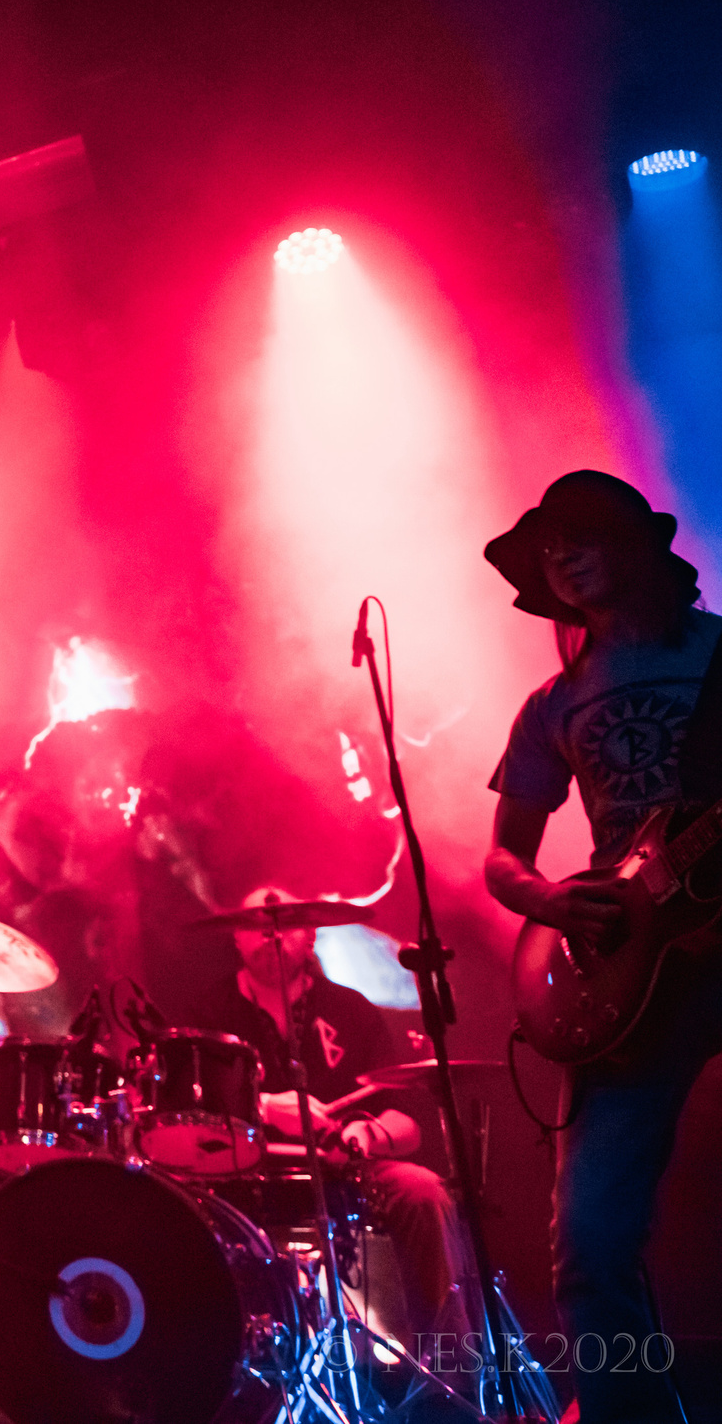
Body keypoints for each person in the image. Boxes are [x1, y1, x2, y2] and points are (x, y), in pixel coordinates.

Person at [483, 470, 722, 1424]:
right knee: (588, 1238)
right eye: (546, 545)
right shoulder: (551, 704)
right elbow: (503, 858)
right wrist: (554, 899)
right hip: (630, 974)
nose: (560, 553)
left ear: (637, 548)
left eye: (579, 534)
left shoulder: (716, 656)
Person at [198, 887, 474, 1366]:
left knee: (424, 1191)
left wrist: (367, 1136)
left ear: (312, 936)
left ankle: (450, 1376)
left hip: (344, 1173)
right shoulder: (208, 1012)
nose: (271, 936)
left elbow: (405, 1124)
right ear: (234, 940)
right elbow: (186, 1117)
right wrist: (260, 1107)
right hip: (241, 1178)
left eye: (286, 924)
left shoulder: (350, 1008)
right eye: (256, 927)